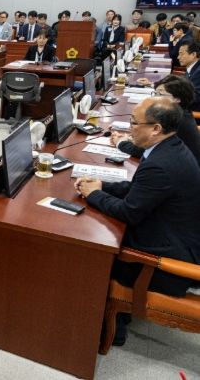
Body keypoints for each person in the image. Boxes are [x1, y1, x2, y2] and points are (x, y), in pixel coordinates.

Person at [76, 98, 200, 345]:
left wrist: (94, 195)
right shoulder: (169, 148)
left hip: (165, 261)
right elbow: (138, 189)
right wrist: (102, 186)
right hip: (175, 236)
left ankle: (111, 329)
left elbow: (129, 212)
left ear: (156, 128)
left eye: (134, 123)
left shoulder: (161, 164)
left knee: (90, 246)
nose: (129, 128)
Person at [112, 75, 200, 163]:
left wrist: (120, 142)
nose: (154, 98)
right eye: (155, 93)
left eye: (159, 94)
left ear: (177, 99)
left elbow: (148, 151)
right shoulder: (179, 113)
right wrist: (133, 138)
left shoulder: (175, 120)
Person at [178, 41, 200, 111]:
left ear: (193, 54)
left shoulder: (198, 72)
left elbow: (195, 97)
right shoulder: (193, 67)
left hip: (192, 112)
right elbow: (182, 82)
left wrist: (172, 95)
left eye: (181, 54)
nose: (178, 57)